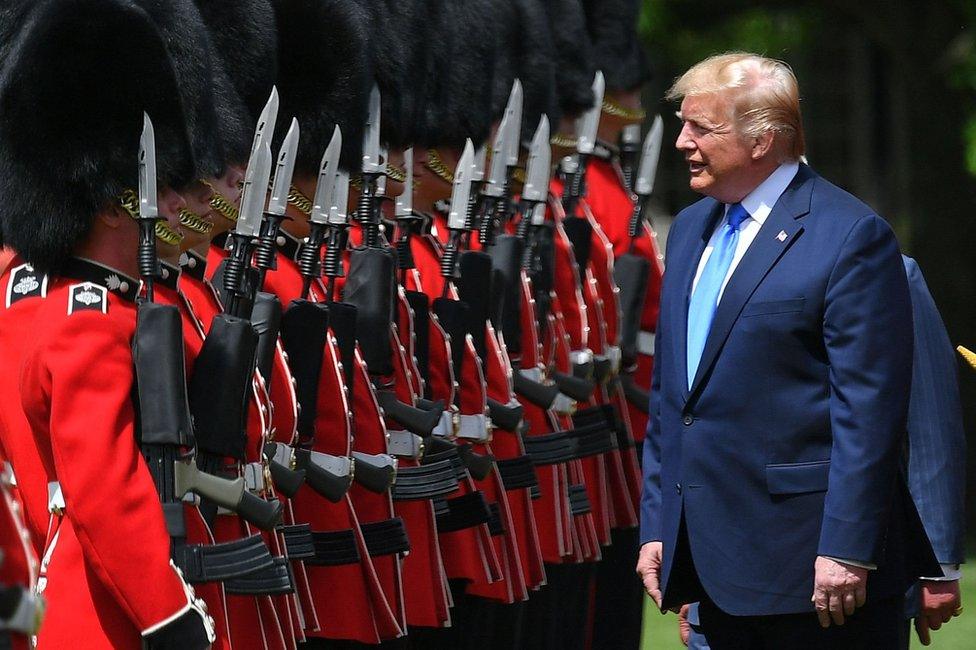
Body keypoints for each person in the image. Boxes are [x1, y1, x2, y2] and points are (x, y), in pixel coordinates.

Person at [636, 52, 939, 648]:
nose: (681, 142)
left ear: (762, 140)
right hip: (709, 564)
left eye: (701, 127)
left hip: (814, 574)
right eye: (683, 124)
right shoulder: (692, 228)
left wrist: (847, 548)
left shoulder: (849, 235)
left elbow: (869, 412)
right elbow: (674, 394)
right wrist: (658, 523)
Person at [677, 254, 967, 649]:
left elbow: (928, 420)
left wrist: (938, 567)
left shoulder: (884, 268)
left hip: (844, 567)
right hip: (723, 568)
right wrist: (692, 565)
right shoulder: (705, 266)